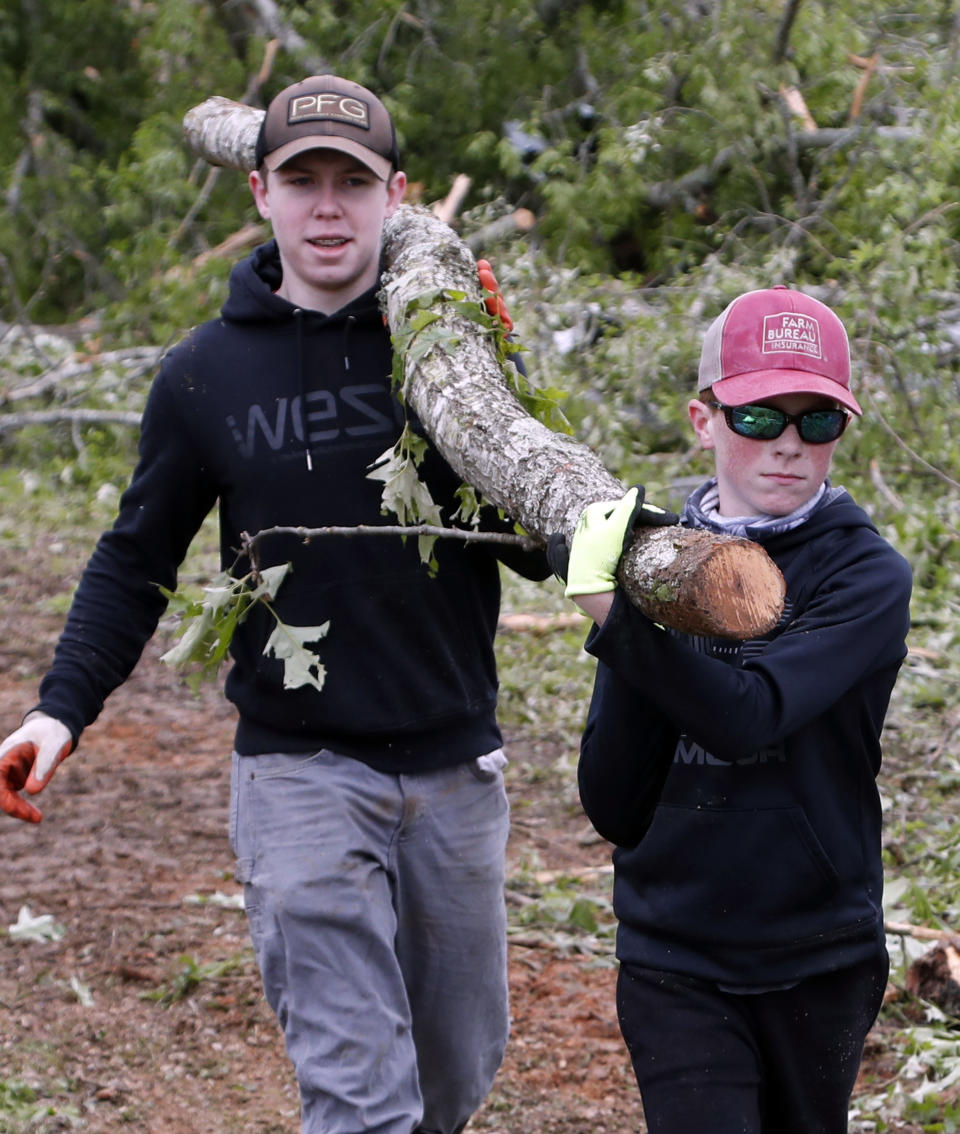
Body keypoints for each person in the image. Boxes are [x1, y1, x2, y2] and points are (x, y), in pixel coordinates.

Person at [0, 74, 549, 1134]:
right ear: (261, 191)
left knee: (455, 1076)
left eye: (354, 180)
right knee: (359, 1099)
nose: (329, 206)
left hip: (454, 771)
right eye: (305, 180)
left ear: (401, 197)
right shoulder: (205, 376)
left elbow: (539, 541)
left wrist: (507, 399)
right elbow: (134, 559)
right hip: (299, 772)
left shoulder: (447, 357)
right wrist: (58, 712)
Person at [557, 286, 913, 1133]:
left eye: (817, 422)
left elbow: (750, 715)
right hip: (673, 952)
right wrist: (630, 602)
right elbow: (612, 800)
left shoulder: (866, 577)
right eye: (759, 418)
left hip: (817, 954)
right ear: (704, 419)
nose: (789, 447)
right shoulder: (648, 560)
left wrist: (613, 617)